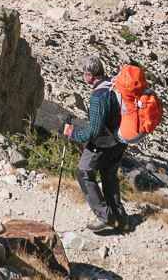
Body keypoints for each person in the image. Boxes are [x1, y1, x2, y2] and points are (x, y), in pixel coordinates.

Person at [63, 55, 130, 233]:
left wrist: (73, 132)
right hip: (120, 141)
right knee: (109, 176)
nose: (82, 76)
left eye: (82, 74)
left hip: (103, 145)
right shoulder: (113, 84)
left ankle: (105, 217)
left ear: (90, 76)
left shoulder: (98, 97)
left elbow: (93, 132)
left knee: (83, 173)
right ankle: (121, 220)